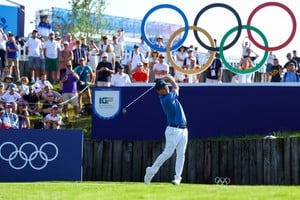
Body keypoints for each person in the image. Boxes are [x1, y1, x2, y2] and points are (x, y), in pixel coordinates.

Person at [144, 75, 188, 185]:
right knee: (167, 153)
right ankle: (151, 171)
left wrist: (167, 79)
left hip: (183, 130)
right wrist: (169, 77)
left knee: (181, 154)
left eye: (166, 86)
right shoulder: (166, 99)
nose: (166, 88)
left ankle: (177, 178)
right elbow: (176, 87)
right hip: (173, 130)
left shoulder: (168, 95)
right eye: (163, 88)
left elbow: (174, 87)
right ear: (159, 92)